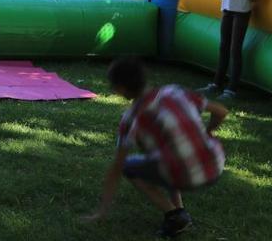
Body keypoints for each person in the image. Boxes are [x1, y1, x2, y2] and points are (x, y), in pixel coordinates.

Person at [84, 57, 228, 238]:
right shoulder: (175, 92)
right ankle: (180, 211)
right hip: (215, 164)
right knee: (163, 154)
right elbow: (221, 112)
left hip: (187, 175)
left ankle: (174, 214)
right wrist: (207, 132)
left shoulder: (131, 119)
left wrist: (102, 210)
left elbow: (117, 167)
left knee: (129, 166)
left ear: (120, 89)